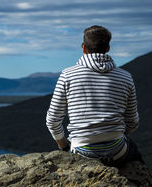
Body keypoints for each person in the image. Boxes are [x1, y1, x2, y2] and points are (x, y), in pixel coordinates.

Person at [46, 25, 143, 166]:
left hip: (81, 152)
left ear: (84, 48)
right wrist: (115, 133)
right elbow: (132, 122)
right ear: (108, 48)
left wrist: (64, 146)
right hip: (117, 151)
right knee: (135, 156)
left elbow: (53, 120)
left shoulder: (68, 75)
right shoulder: (125, 77)